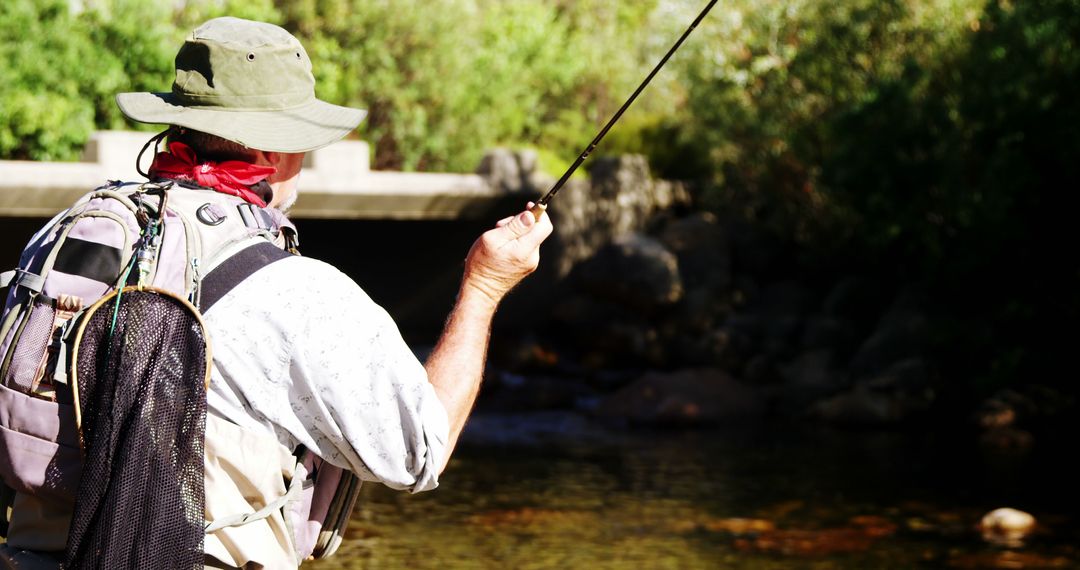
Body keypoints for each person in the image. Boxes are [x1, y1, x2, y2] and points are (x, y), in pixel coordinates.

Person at [0, 16, 551, 568]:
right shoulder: (297, 291)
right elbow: (418, 453)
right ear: (276, 153)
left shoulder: (61, 233)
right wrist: (483, 285)